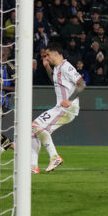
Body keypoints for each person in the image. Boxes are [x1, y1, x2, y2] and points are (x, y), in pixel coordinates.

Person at [32, 41, 86, 174]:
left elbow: (82, 83)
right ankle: (33, 167)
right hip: (60, 108)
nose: (47, 57)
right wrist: (47, 67)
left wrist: (69, 100)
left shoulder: (66, 67)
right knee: (34, 132)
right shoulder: (57, 68)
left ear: (56, 53)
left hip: (67, 108)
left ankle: (54, 157)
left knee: (35, 125)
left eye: (48, 55)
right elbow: (55, 80)